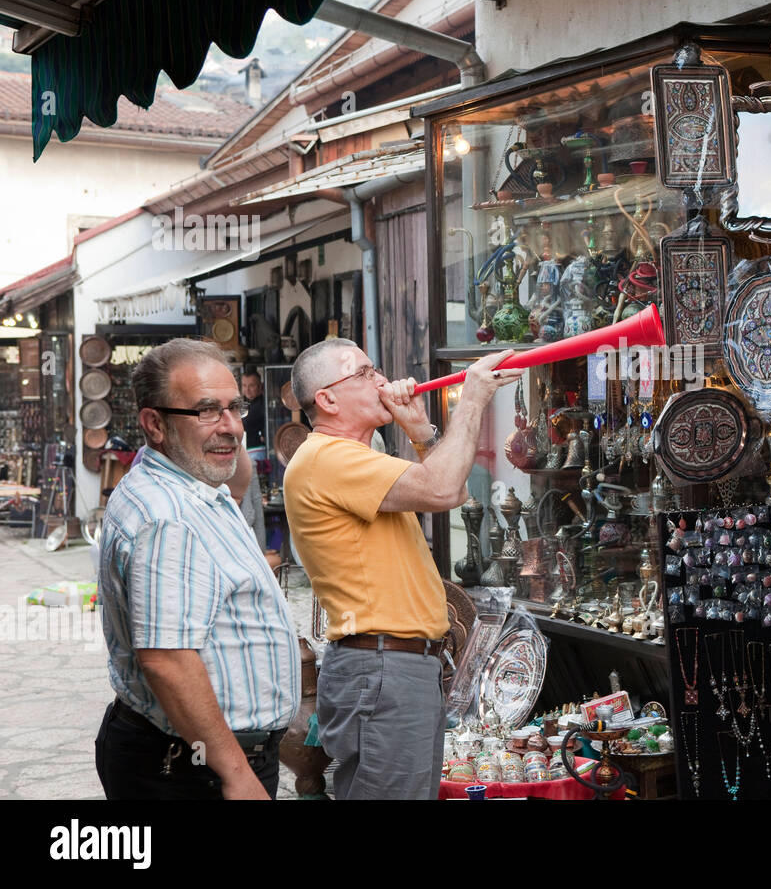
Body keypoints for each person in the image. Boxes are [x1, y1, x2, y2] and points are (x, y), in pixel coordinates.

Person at [283, 339, 522, 799]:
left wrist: (421, 431)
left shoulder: (355, 458)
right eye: (364, 373)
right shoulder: (328, 459)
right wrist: (471, 399)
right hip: (382, 670)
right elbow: (444, 490)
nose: (380, 380)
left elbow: (440, 482)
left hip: (393, 668)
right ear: (327, 400)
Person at [94, 339, 300, 800]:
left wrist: (219, 432)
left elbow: (237, 476)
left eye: (235, 408)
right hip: (192, 769)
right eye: (207, 411)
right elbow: (167, 660)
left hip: (189, 758)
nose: (231, 427)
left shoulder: (183, 478)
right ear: (154, 423)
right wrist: (236, 775)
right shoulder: (168, 517)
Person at [241, 369, 267, 461]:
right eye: (244, 385)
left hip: (257, 453)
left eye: (251, 385)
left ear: (260, 386)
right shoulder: (249, 403)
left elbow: (244, 424)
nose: (247, 390)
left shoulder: (261, 404)